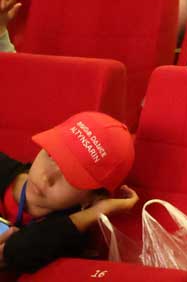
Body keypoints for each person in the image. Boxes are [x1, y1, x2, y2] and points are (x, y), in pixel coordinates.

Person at [0, 112, 137, 274]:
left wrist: (97, 211)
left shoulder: (68, 232)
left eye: (71, 177)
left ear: (93, 198)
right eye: (51, 155)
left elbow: (16, 251)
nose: (46, 178)